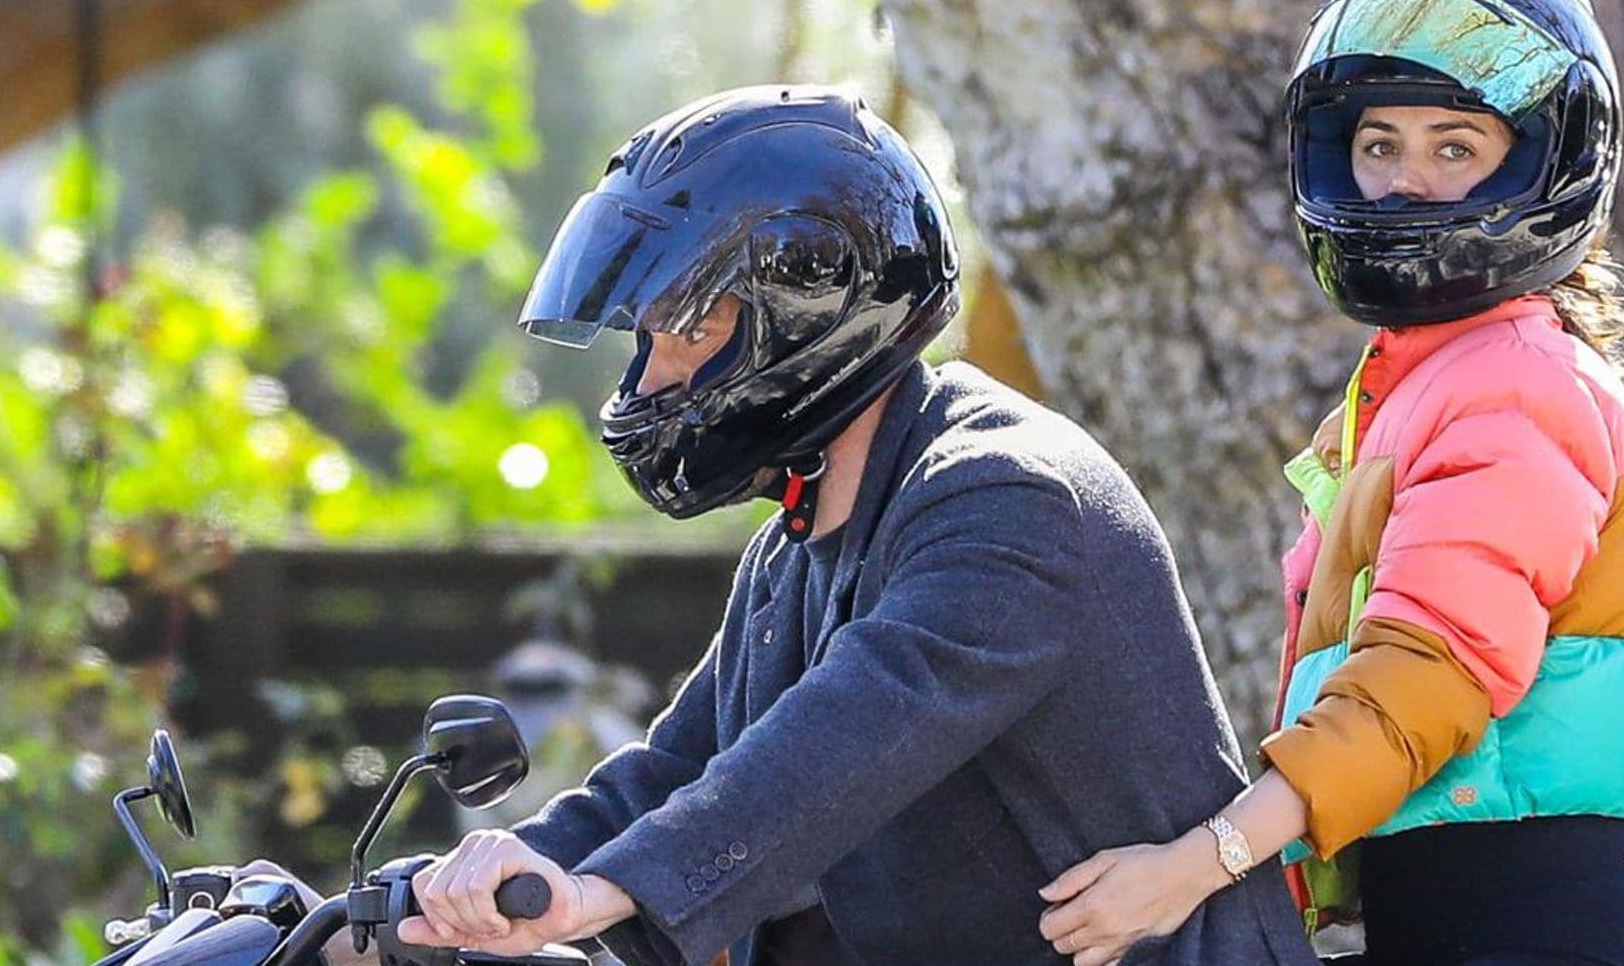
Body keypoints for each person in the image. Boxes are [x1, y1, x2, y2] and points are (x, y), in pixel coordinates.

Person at [379, 85, 1319, 966]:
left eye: (688, 330)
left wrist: (604, 889)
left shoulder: (1005, 498)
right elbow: (678, 768)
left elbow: (832, 754)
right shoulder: (802, 531)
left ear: (810, 305)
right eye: (647, 336)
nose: (652, 377)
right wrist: (418, 907)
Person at [1036, 0, 1624, 966]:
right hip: (1447, 911)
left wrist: (1196, 866)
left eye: (1454, 148)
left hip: (1536, 918)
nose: (1402, 184)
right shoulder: (1422, 378)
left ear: (1540, 166)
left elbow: (1422, 677)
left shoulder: (1517, 387)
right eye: (1379, 147)